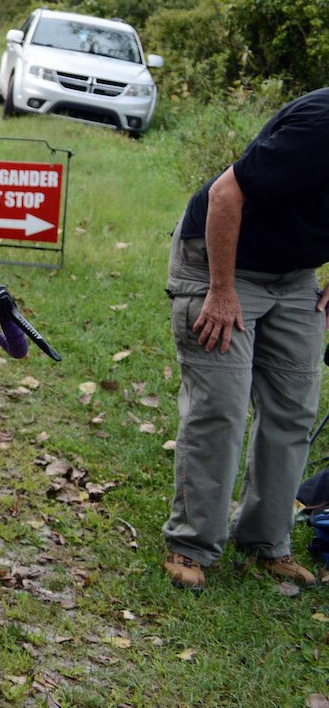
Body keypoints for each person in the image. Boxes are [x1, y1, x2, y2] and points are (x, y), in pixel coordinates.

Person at [163, 88, 329, 591]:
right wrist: (221, 290)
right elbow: (224, 194)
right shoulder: (320, 126)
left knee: (294, 409)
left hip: (294, 274)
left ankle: (266, 542)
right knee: (223, 408)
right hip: (221, 262)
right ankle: (191, 544)